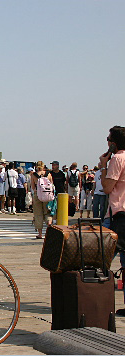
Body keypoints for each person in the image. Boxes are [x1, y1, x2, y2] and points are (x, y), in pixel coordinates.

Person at [98, 125, 125, 316]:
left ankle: (95, 300)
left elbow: (107, 187)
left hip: (118, 214)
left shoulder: (117, 158)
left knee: (99, 257)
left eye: (108, 139)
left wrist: (103, 166)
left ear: (113, 143)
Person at [31, 161, 53, 239]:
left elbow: (33, 187)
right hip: (47, 195)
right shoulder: (48, 174)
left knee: (38, 214)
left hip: (37, 195)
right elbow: (51, 185)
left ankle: (40, 234)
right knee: (47, 212)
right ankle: (49, 224)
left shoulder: (33, 175)